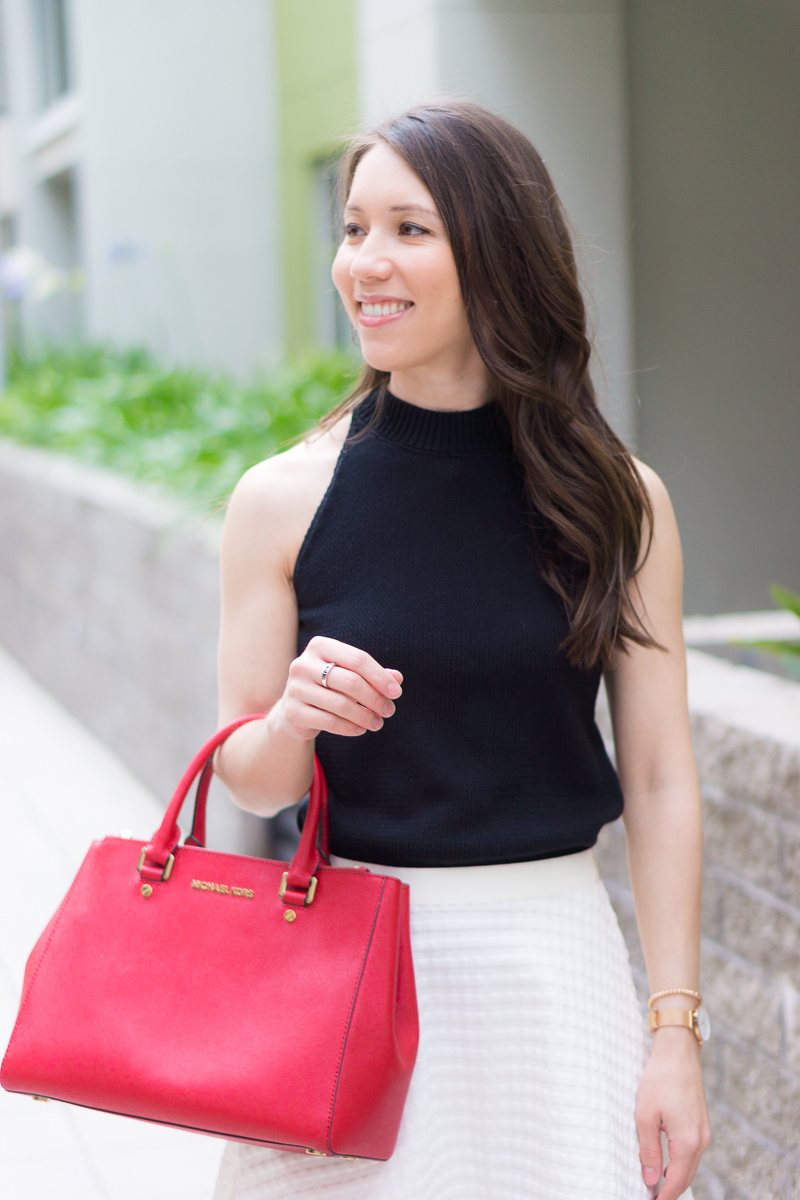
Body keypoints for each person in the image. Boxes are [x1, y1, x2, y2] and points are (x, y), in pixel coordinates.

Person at [212, 100, 709, 1200]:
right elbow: (243, 769)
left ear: (497, 251)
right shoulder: (281, 499)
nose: (365, 264)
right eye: (351, 229)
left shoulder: (617, 501)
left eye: (408, 229)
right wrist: (292, 720)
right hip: (341, 969)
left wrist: (672, 1029)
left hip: (549, 965)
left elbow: (663, 777)